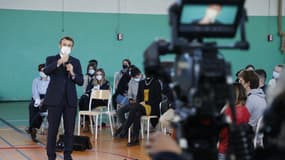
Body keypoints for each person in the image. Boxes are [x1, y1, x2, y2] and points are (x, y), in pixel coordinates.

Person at [43, 36, 83, 160]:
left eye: (69, 45)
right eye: (64, 44)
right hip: (54, 100)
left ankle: (67, 154)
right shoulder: (51, 59)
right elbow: (46, 71)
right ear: (59, 45)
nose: (67, 47)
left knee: (69, 130)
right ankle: (51, 155)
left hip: (70, 100)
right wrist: (60, 62)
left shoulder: (75, 62)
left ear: (72, 47)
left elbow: (80, 81)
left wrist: (72, 72)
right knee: (53, 129)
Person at [115, 71, 162, 146]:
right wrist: (141, 103)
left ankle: (125, 129)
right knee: (136, 113)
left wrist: (146, 103)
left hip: (152, 107)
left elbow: (158, 98)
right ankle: (135, 139)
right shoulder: (142, 83)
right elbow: (139, 97)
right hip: (141, 106)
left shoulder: (156, 83)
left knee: (134, 107)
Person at [218, 83, 250, 160]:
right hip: (240, 149)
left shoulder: (228, 111)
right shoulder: (245, 110)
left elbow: (221, 134)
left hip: (225, 150)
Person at [25, 63, 50, 141]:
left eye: (44, 70)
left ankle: (31, 127)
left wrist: (44, 100)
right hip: (37, 98)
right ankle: (33, 129)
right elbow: (34, 92)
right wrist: (38, 100)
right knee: (32, 106)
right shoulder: (35, 80)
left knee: (42, 109)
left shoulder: (52, 80)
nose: (42, 72)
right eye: (41, 71)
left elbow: (52, 92)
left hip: (48, 98)